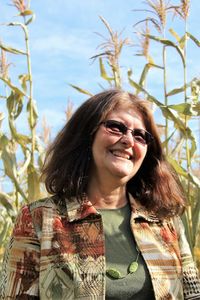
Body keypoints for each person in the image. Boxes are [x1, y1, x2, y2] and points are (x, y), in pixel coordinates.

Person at [0, 89, 199, 300]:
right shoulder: (40, 220)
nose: (129, 140)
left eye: (140, 136)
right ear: (87, 134)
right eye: (116, 127)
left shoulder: (167, 223)